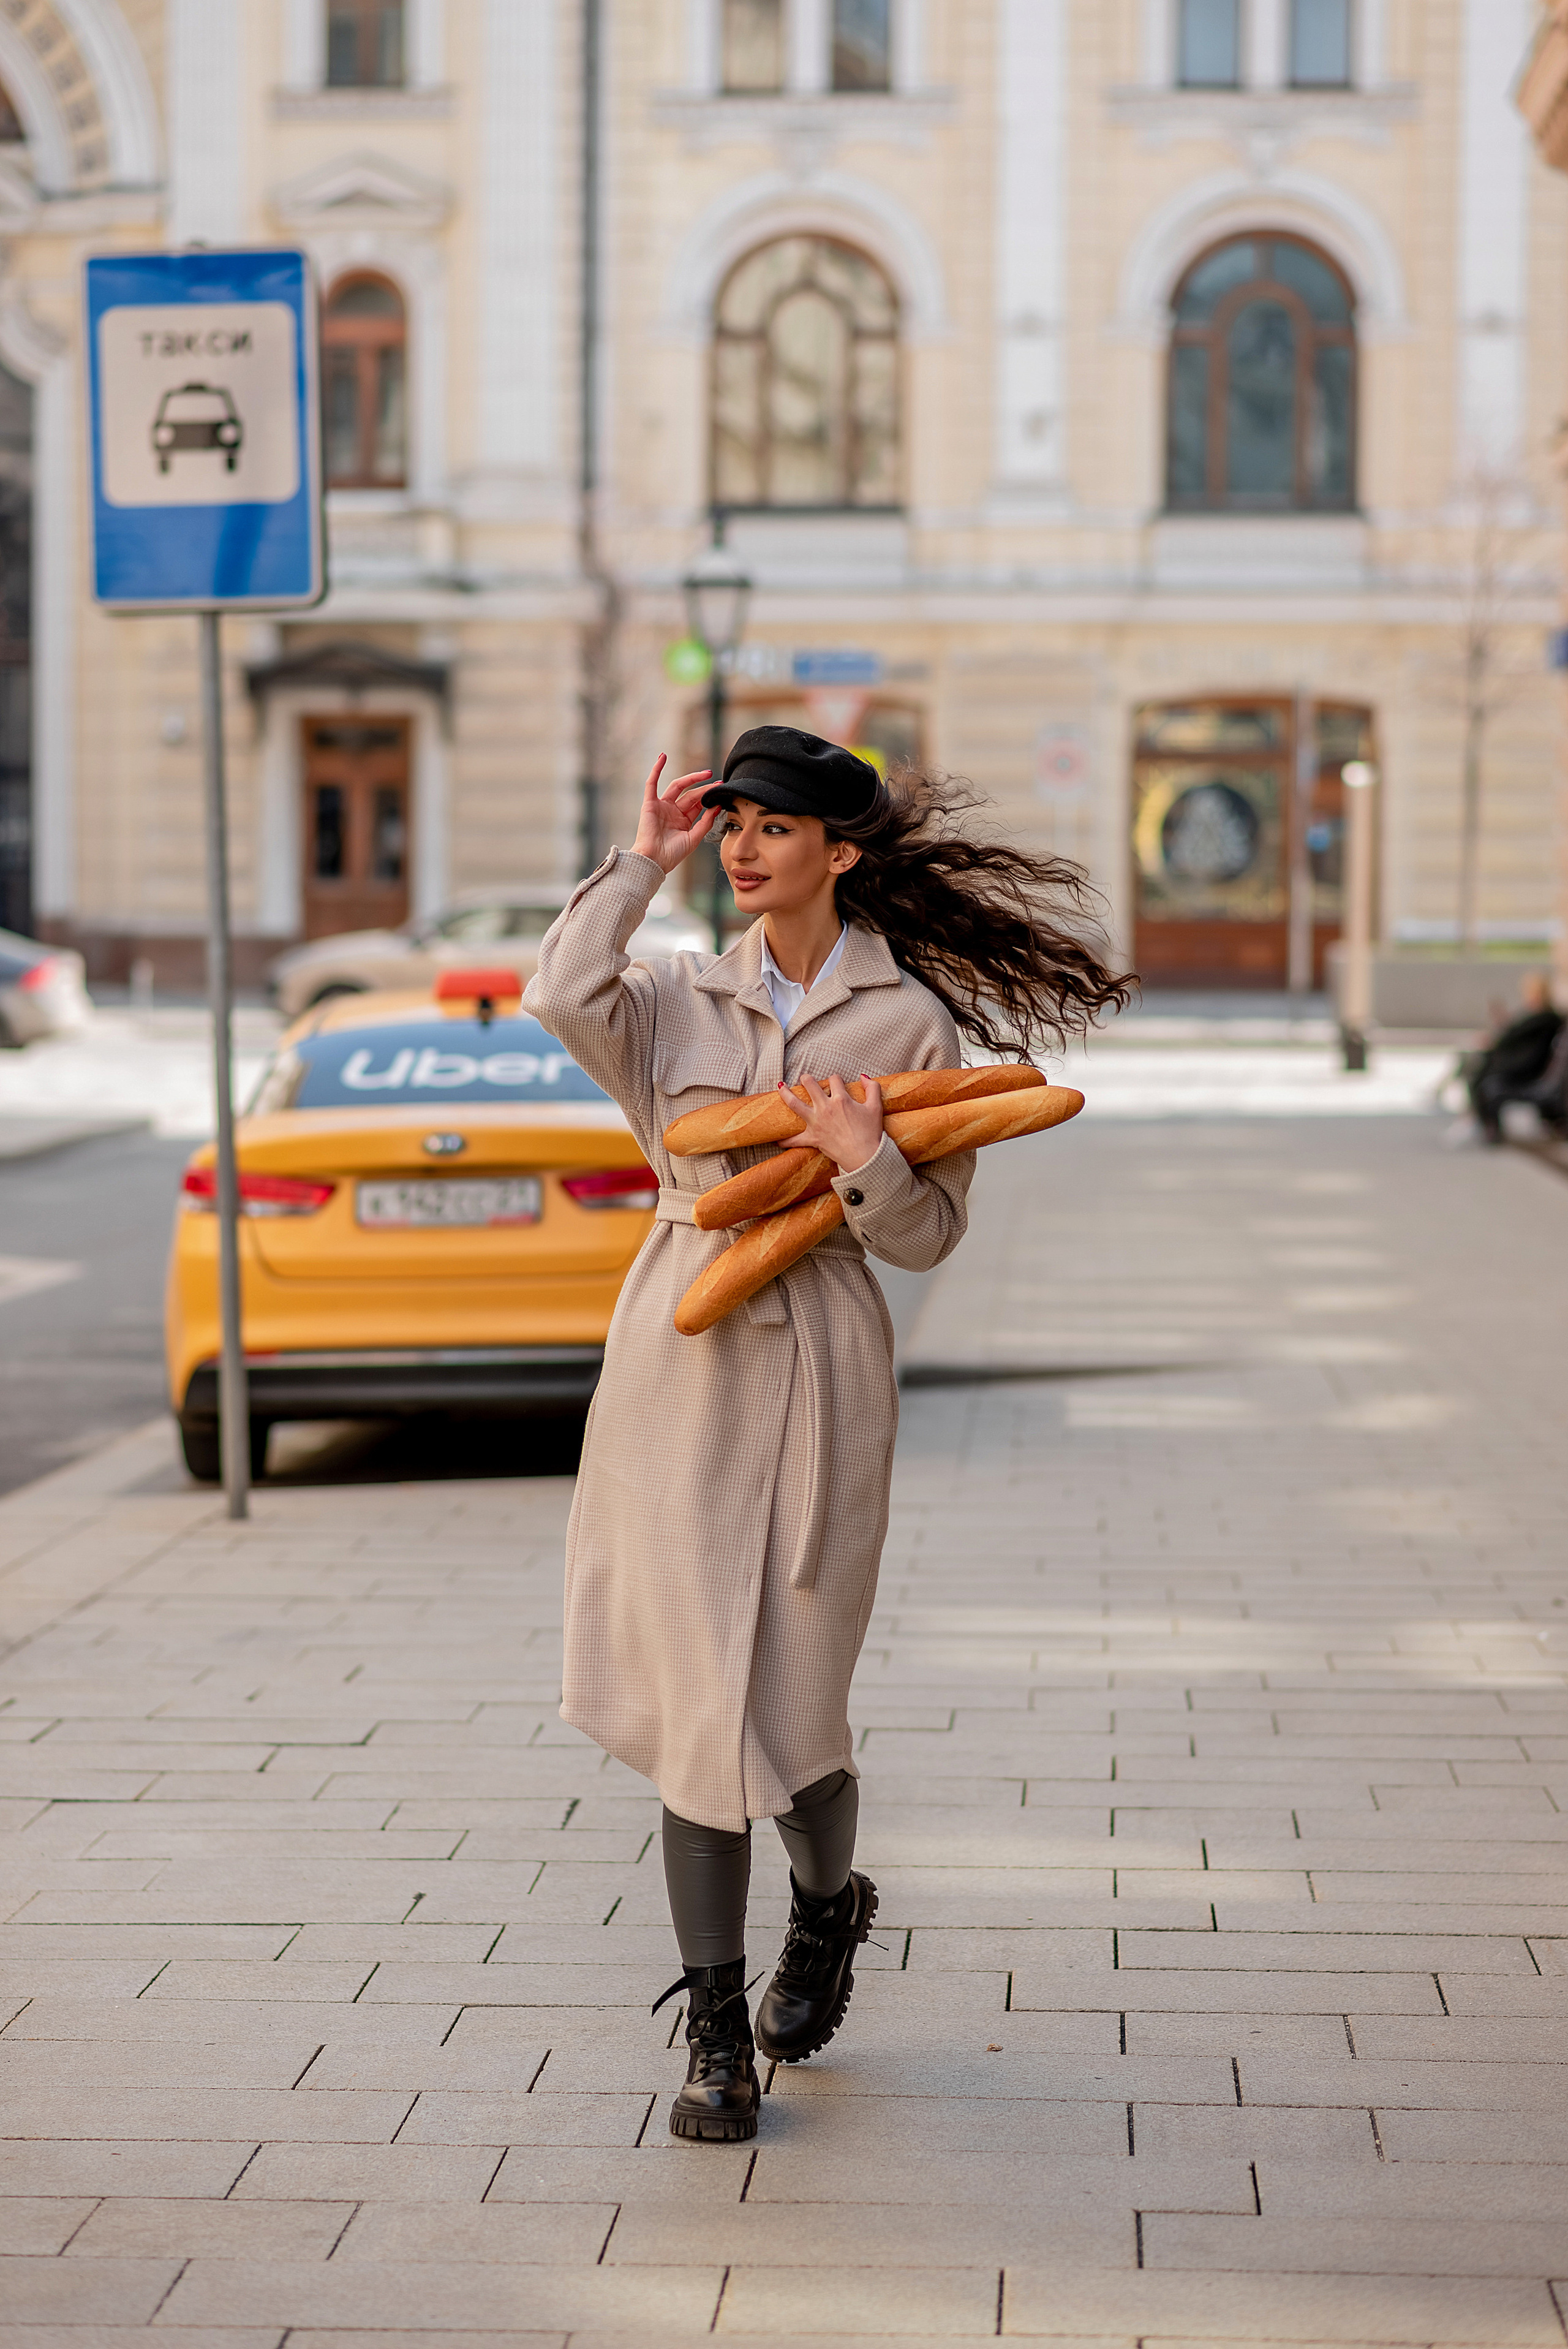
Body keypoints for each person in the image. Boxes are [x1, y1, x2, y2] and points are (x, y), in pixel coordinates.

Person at [524, 725, 1130, 2144]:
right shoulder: (670, 995)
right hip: (676, 1356)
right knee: (694, 1707)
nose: (740, 845)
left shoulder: (909, 1025)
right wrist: (642, 859)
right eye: (727, 821)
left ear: (837, 851)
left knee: (790, 1713)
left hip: (824, 1367)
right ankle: (716, 2034)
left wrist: (865, 1156)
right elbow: (556, 988)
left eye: (769, 827)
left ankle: (824, 1906)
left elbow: (922, 1241)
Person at [1465, 973, 1564, 1143]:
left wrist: (1502, 1031)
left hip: (1527, 1072)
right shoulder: (1542, 1017)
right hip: (1525, 1068)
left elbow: (1512, 1039)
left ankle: (1479, 1121)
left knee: (1483, 1070)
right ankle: (1477, 1119)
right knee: (1478, 1066)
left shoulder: (1545, 1018)